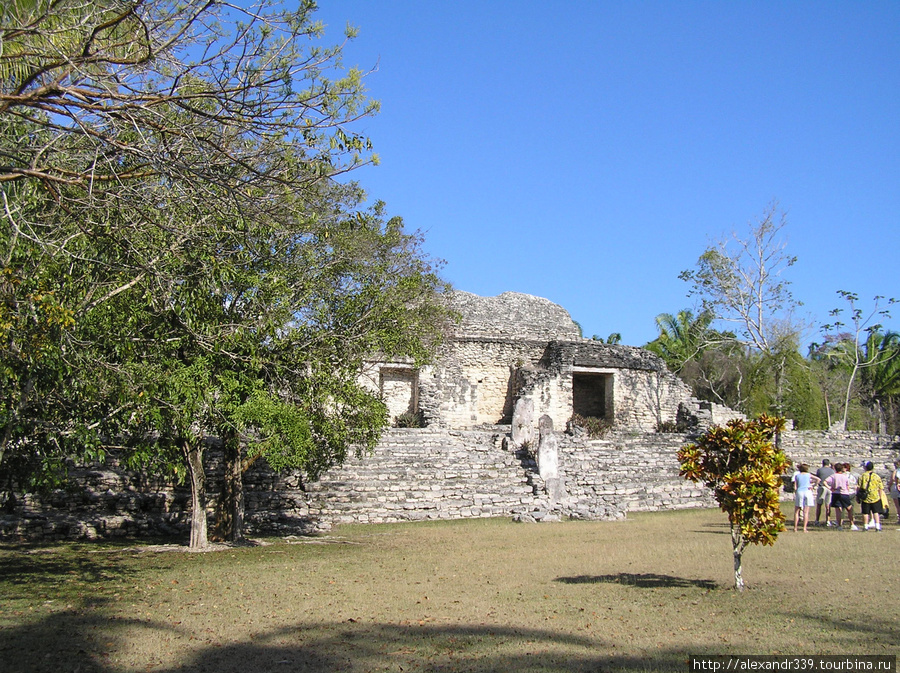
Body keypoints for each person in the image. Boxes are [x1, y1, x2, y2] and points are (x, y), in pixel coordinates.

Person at [825, 463, 855, 530]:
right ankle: (852, 524)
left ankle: (839, 525)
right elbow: (847, 485)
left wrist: (830, 488)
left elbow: (825, 481)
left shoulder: (833, 476)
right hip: (844, 493)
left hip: (835, 493)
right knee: (849, 508)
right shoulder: (844, 476)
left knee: (838, 509)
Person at [792, 464, 819, 533]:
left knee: (797, 511)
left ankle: (795, 528)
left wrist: (796, 492)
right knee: (806, 512)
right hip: (807, 492)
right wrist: (813, 486)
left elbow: (795, 487)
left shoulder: (797, 476)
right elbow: (818, 479)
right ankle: (804, 528)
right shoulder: (808, 475)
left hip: (800, 491)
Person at [858, 461, 885, 532]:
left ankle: (865, 526)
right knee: (876, 512)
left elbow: (859, 486)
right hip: (875, 496)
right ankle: (877, 526)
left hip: (865, 497)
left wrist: (858, 495)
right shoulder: (876, 476)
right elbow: (880, 487)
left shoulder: (862, 476)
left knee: (865, 512)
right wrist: (880, 496)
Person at [815, 459, 835, 526]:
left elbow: (818, 477)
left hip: (822, 487)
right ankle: (828, 521)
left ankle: (817, 520)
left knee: (819, 504)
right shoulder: (832, 471)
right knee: (828, 505)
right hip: (829, 488)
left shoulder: (820, 470)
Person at [844, 463, 859, 530]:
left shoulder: (843, 475)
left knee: (842, 508)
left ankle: (840, 522)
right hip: (852, 492)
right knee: (851, 508)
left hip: (845, 493)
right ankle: (852, 522)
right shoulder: (853, 475)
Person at [889, 460, 900, 526]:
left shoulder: (896, 472)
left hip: (896, 488)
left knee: (898, 505)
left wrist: (889, 487)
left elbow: (892, 480)